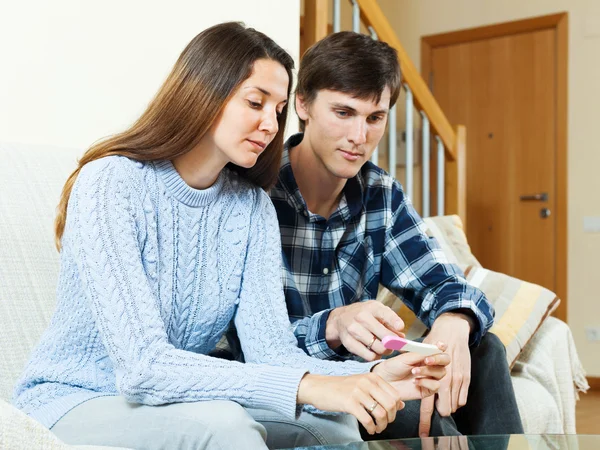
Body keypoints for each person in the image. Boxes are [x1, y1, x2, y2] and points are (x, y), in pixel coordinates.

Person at [12, 22, 450, 450]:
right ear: (205, 92)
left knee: (333, 424)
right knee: (224, 425)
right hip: (78, 398)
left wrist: (371, 375)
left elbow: (273, 355)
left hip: (180, 400)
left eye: (277, 111)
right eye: (255, 103)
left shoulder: (251, 208)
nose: (270, 125)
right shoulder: (111, 183)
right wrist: (309, 386)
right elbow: (143, 367)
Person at [268, 31, 524, 439]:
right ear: (303, 104)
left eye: (375, 118)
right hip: (310, 381)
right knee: (416, 416)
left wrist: (453, 320)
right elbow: (249, 345)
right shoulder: (257, 194)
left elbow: (443, 281)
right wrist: (333, 323)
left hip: (374, 370)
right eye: (343, 113)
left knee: (483, 347)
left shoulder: (379, 193)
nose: (359, 137)